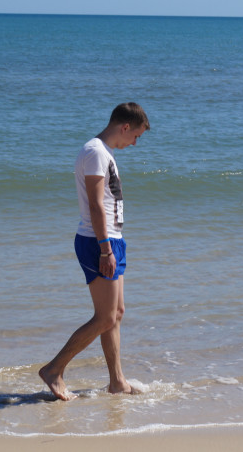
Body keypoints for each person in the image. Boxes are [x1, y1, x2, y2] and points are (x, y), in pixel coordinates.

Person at [39, 102, 149, 401]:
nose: (135, 143)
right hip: (98, 242)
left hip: (112, 240)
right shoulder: (95, 152)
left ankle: (117, 382)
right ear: (125, 127)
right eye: (136, 136)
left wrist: (111, 245)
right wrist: (104, 249)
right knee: (104, 318)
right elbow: (95, 204)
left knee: (116, 314)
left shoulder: (104, 152)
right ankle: (53, 369)